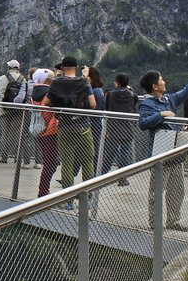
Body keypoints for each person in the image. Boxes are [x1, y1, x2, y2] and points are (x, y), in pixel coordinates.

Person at [138, 58, 188, 231]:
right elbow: (143, 123)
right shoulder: (147, 103)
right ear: (155, 86)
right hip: (160, 152)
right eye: (161, 80)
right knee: (157, 190)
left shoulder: (169, 99)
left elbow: (186, 91)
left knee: (177, 188)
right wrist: (161, 115)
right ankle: (155, 223)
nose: (164, 82)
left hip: (175, 150)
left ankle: (172, 220)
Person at [48, 56, 96, 193]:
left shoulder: (57, 83)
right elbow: (93, 104)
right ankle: (88, 196)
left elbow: (47, 103)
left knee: (67, 163)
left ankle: (67, 198)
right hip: (83, 127)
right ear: (76, 68)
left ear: (62, 68)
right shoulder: (83, 82)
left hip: (64, 126)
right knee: (87, 161)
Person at [102, 73, 138, 185]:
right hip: (128, 126)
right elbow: (134, 105)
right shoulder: (132, 94)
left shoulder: (111, 94)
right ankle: (122, 178)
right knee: (125, 153)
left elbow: (106, 107)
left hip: (113, 127)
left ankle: (102, 175)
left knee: (110, 152)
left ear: (117, 82)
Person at [31, 69, 60, 197]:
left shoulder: (35, 92)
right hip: (51, 130)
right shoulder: (49, 93)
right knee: (51, 162)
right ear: (46, 80)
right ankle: (43, 191)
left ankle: (43, 190)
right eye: (51, 77)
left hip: (40, 130)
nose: (53, 79)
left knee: (50, 160)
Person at [0, 59, 27, 163]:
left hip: (5, 108)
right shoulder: (22, 79)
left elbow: (1, 93)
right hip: (18, 109)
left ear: (9, 68)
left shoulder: (3, 78)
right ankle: (17, 157)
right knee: (18, 133)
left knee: (5, 133)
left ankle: (4, 157)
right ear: (18, 68)